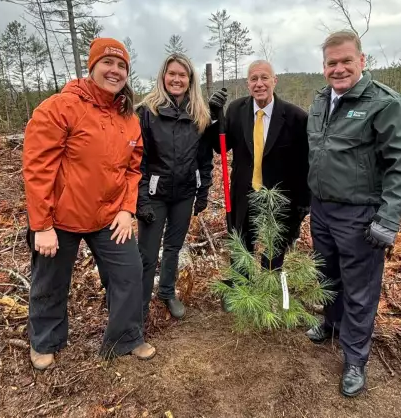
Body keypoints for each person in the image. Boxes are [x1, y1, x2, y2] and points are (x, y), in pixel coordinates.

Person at [22, 37, 155, 369]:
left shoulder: (128, 118)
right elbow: (38, 168)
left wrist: (126, 209)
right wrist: (42, 225)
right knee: (50, 281)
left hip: (109, 215)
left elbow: (132, 168)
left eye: (122, 66)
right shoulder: (59, 107)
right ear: (91, 66)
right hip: (61, 218)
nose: (115, 71)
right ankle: (45, 341)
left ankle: (125, 338)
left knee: (130, 272)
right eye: (108, 63)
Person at [305, 31, 401, 397]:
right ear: (324, 67)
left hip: (359, 214)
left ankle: (355, 359)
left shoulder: (384, 104)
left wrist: (388, 219)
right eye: (331, 63)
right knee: (328, 273)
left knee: (360, 288)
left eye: (345, 61)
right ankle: (332, 324)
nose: (338, 69)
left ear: (361, 60)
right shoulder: (321, 101)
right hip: (322, 209)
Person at [207, 60, 310, 304]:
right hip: (243, 193)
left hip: (278, 196)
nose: (259, 83)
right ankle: (241, 290)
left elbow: (304, 164)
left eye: (265, 78)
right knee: (240, 242)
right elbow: (220, 146)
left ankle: (267, 291)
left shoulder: (296, 117)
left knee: (275, 249)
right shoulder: (236, 110)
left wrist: (303, 202)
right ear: (247, 84)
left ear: (275, 81)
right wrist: (215, 117)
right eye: (254, 79)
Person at [135, 53, 213, 320]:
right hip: (155, 194)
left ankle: (167, 292)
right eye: (172, 74)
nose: (177, 79)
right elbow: (139, 160)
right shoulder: (147, 112)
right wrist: (141, 198)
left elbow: (204, 159)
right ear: (163, 77)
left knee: (173, 246)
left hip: (184, 194)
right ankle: (140, 302)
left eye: (182, 75)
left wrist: (203, 191)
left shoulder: (199, 114)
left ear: (190, 79)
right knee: (146, 253)